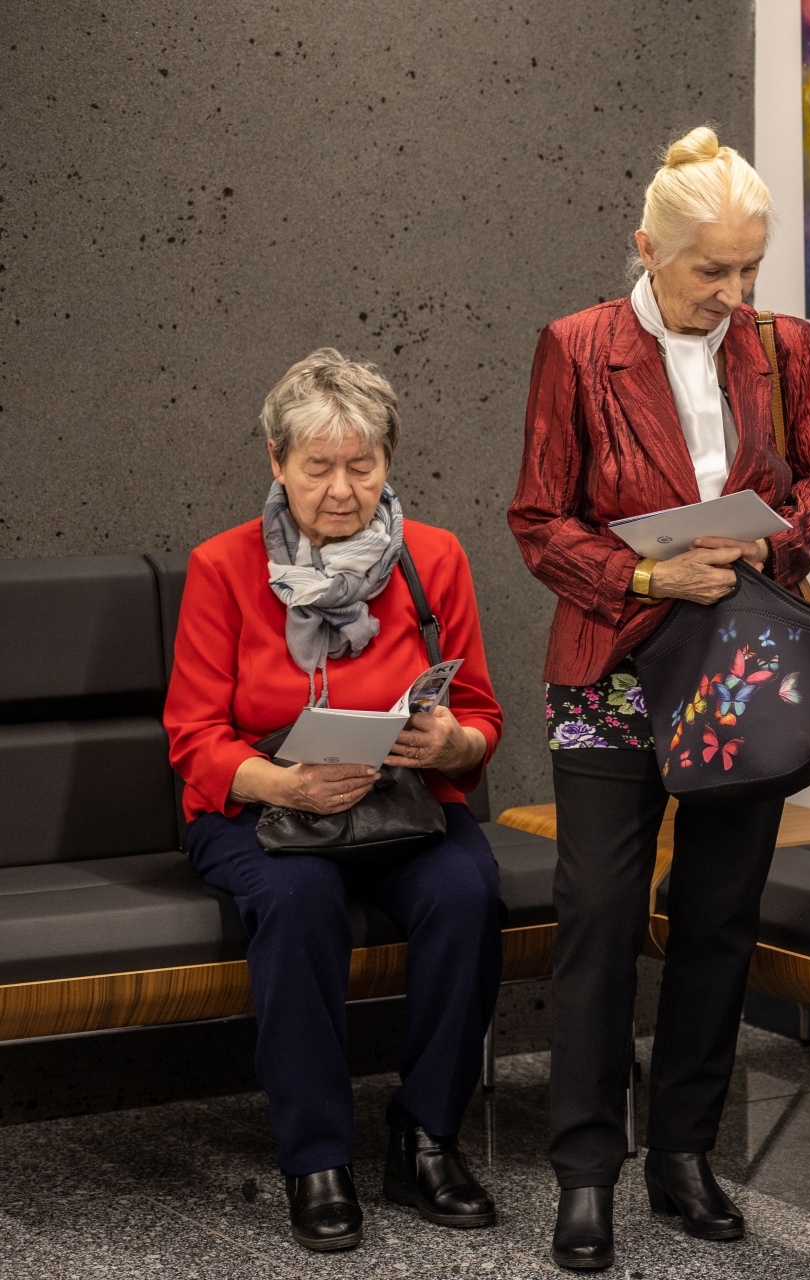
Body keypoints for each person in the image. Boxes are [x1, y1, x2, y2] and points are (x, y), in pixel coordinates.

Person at [508, 126, 810, 1271]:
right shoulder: (577, 348)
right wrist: (646, 575)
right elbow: (538, 518)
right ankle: (584, 1172)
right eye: (712, 269)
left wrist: (774, 545)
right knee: (600, 916)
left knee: (718, 915)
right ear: (648, 248)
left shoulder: (783, 346)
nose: (735, 293)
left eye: (750, 267)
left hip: (740, 665)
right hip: (612, 664)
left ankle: (683, 1153)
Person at [165, 349, 505, 1254]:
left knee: (468, 893)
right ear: (277, 462)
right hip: (260, 805)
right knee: (298, 898)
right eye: (319, 467)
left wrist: (452, 743)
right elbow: (193, 736)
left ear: (389, 461)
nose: (344, 490)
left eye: (364, 465)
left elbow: (480, 715)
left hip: (399, 800)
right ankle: (315, 1158)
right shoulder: (223, 566)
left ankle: (425, 1138)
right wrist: (287, 783)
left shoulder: (433, 557)